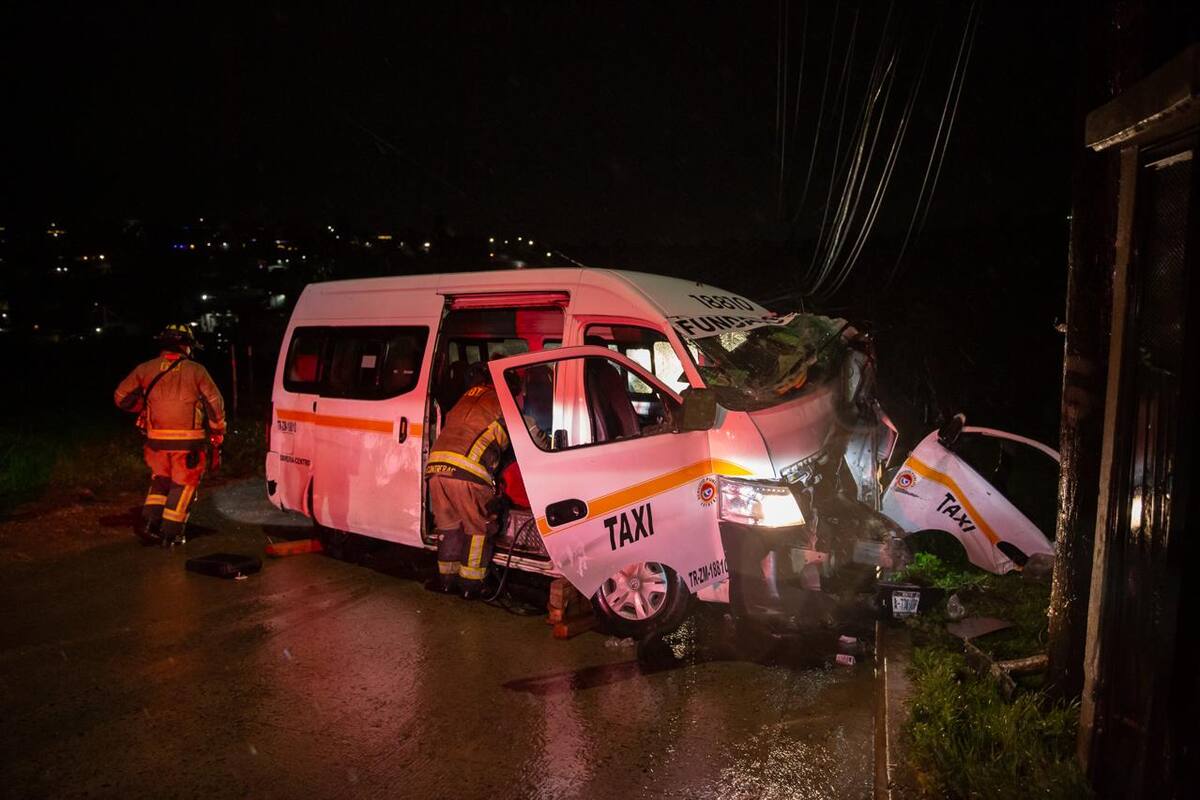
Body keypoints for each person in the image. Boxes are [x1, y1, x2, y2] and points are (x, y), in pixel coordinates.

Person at [424, 365, 546, 599]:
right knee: (478, 528)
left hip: (436, 469)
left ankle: (447, 581)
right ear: (511, 389)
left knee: (449, 526)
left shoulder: (470, 395)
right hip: (468, 474)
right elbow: (536, 439)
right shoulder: (505, 404)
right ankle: (472, 584)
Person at [114, 324, 226, 547]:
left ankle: (149, 524)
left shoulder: (145, 369)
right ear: (186, 346)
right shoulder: (196, 370)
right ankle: (171, 532)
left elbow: (120, 397)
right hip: (188, 440)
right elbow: (214, 403)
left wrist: (143, 408)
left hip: (155, 440)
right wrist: (217, 430)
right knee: (184, 484)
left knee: (161, 480)